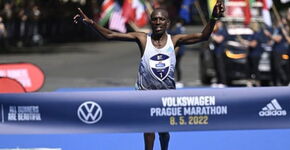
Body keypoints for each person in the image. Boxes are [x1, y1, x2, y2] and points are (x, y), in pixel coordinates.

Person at [73, 1, 224, 150]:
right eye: (154, 19)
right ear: (150, 22)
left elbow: (204, 36)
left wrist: (213, 18)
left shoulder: (175, 40)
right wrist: (91, 22)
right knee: (148, 129)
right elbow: (111, 35)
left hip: (166, 96)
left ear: (167, 23)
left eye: (161, 19)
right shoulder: (143, 39)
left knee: (164, 132)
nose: (158, 22)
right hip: (144, 94)